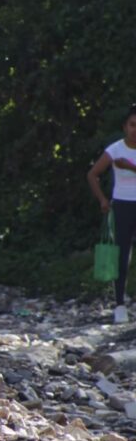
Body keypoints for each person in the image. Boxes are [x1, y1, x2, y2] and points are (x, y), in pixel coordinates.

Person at [87, 105, 136, 324]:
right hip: (123, 205)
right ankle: (119, 305)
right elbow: (93, 174)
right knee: (122, 254)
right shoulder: (115, 149)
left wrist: (130, 166)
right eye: (133, 125)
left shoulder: (125, 158)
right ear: (125, 127)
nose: (135, 130)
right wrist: (103, 200)